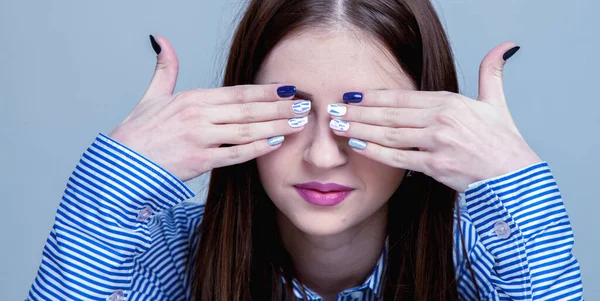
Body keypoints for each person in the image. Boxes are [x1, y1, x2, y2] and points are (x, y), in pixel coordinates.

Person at [26, 0, 584, 300]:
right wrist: (116, 173)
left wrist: (516, 180)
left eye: (359, 116)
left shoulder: (491, 259)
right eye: (293, 111)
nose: (322, 156)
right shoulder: (161, 257)